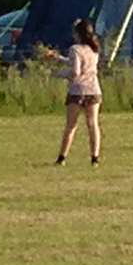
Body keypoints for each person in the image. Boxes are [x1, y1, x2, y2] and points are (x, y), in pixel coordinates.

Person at [46, 19, 103, 166]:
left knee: (71, 126)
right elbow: (78, 63)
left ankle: (62, 158)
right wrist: (59, 58)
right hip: (94, 90)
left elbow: (75, 71)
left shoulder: (75, 49)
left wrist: (56, 74)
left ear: (78, 34)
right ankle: (95, 158)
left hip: (78, 91)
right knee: (93, 124)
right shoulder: (94, 49)